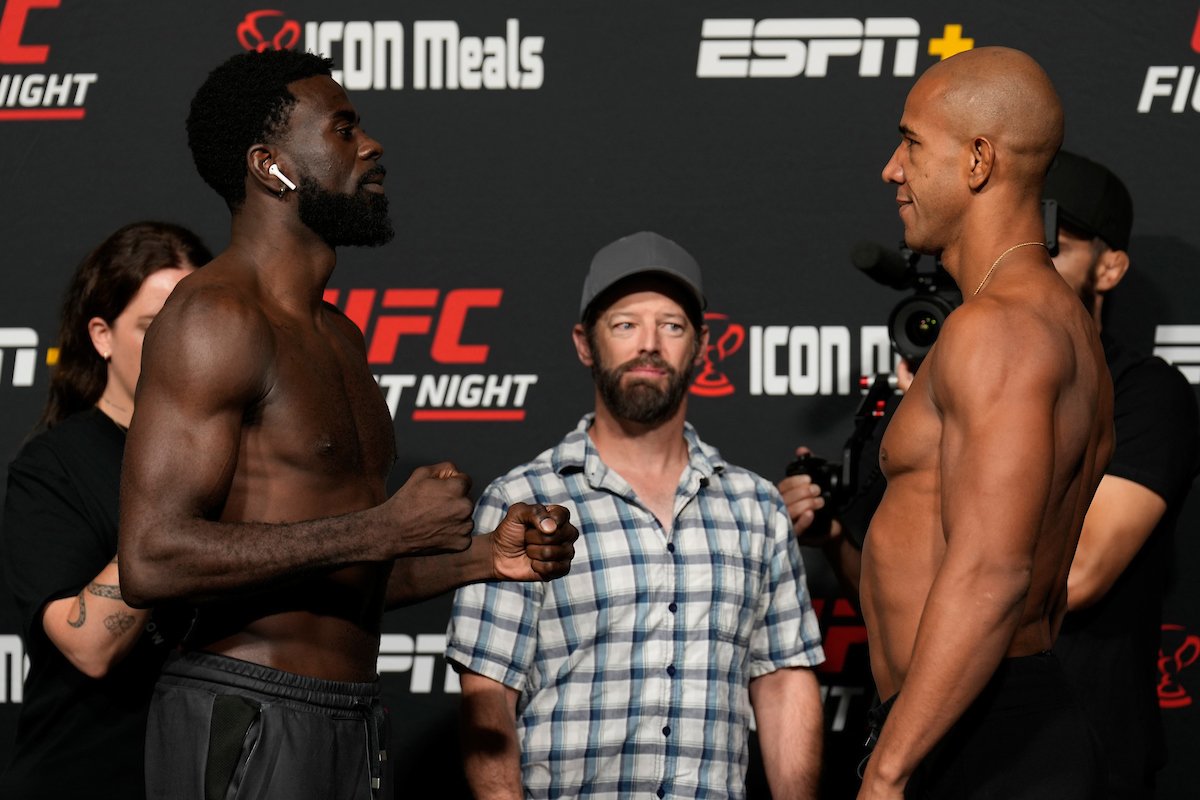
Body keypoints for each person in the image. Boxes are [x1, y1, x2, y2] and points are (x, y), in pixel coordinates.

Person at [116, 50, 577, 800]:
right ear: (270, 167)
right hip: (243, 709)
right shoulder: (215, 317)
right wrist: (381, 528)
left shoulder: (338, 335)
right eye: (342, 129)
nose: (371, 145)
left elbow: (339, 567)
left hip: (349, 720)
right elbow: (150, 560)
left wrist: (482, 558)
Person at [445, 231, 826, 800]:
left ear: (701, 345)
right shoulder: (523, 501)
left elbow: (783, 681)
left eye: (671, 326)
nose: (649, 344)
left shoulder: (757, 506)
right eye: (625, 325)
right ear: (585, 343)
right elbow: (488, 693)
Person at [857, 47, 1113, 799]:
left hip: (977, 739)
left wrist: (887, 774)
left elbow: (993, 573)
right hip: (977, 724)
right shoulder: (1062, 326)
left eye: (911, 143)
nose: (892, 170)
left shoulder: (998, 328)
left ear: (978, 160)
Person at [0, 221, 209, 799]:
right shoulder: (53, 467)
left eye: (193, 322)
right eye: (152, 326)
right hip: (83, 779)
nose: (178, 344)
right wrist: (176, 491)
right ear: (102, 336)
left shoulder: (240, 458)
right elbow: (90, 645)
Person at [1044, 151, 1200, 798]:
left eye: (1051, 246)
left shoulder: (1143, 393)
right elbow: (887, 593)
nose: (1022, 266)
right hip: (942, 747)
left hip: (1080, 756)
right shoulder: (940, 395)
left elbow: (1078, 576)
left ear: (1108, 267)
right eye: (1007, 244)